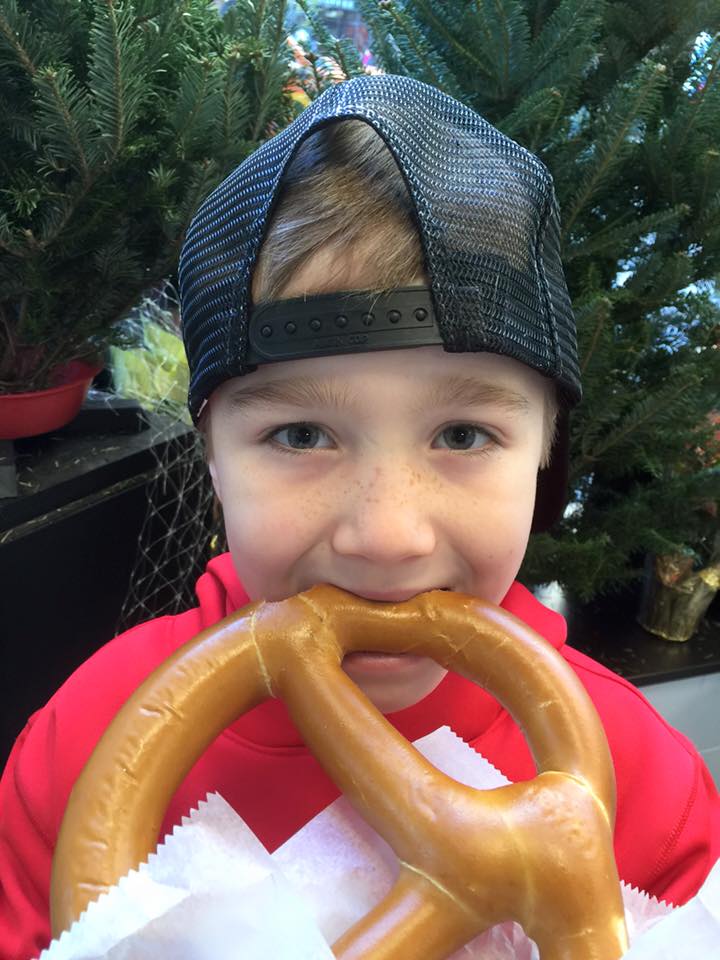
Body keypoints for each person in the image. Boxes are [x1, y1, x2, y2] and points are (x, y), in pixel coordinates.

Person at [1, 74, 718, 959]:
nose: (386, 536)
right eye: (300, 434)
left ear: (546, 453)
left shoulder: (644, 788)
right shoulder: (78, 749)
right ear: (212, 459)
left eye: (464, 432)